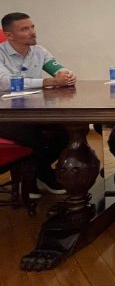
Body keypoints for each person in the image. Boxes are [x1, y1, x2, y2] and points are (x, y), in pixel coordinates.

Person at [0, 12, 76, 196]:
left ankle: (35, 174)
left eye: (32, 27)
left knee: (66, 133)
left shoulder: (39, 51)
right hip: (6, 116)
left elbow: (57, 69)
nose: (32, 32)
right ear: (9, 35)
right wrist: (46, 82)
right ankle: (41, 175)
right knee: (33, 137)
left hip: (34, 112)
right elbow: (5, 83)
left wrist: (66, 75)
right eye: (25, 29)